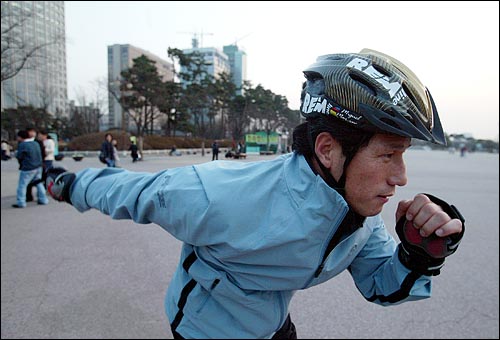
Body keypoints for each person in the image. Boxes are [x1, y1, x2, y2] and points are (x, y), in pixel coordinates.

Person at [46, 49, 465, 339]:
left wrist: (418, 254)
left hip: (273, 325)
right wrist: (69, 184)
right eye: (388, 154)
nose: (401, 178)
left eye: (403, 155)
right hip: (206, 329)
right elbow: (132, 190)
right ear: (327, 150)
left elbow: (380, 285)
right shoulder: (219, 195)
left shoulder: (360, 216)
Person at [13, 130, 49, 208]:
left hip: (28, 167)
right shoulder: (35, 143)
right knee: (38, 183)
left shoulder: (23, 145)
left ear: (20, 137)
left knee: (22, 185)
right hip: (38, 167)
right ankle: (43, 199)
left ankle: (21, 202)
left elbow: (20, 156)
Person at [25, 127, 46, 202]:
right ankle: (29, 196)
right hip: (28, 165)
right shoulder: (24, 141)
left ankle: (41, 197)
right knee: (29, 182)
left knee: (38, 182)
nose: (32, 133)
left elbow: (43, 153)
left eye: (33, 132)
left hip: (38, 165)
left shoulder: (38, 142)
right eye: (30, 131)